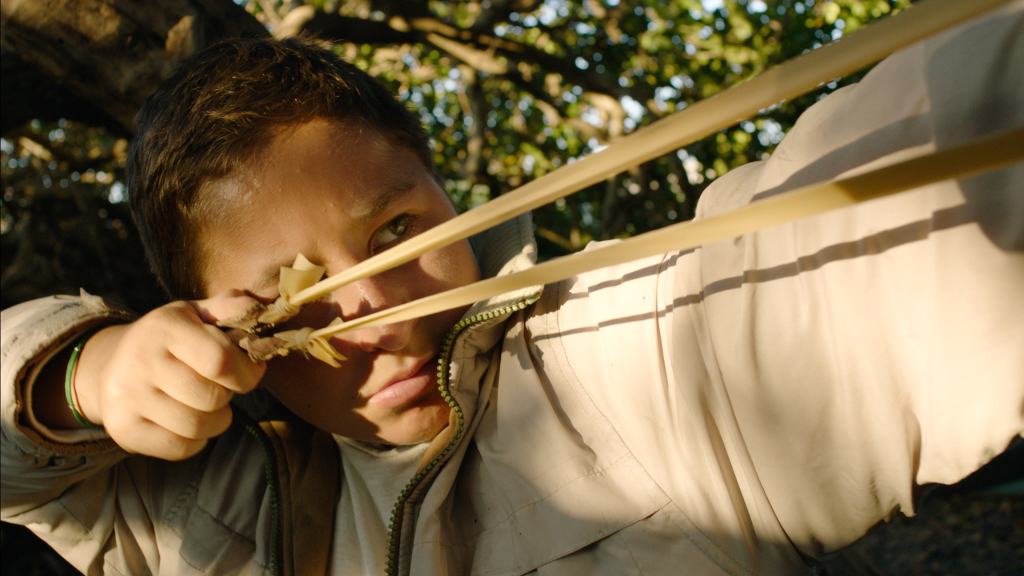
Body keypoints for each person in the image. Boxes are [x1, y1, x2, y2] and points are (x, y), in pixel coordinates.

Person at [2, 4, 1022, 575]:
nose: (373, 314)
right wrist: (76, 380)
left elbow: (895, 199)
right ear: (208, 323)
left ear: (446, 194)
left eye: (394, 232)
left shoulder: (625, 363)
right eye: (289, 302)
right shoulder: (206, 508)